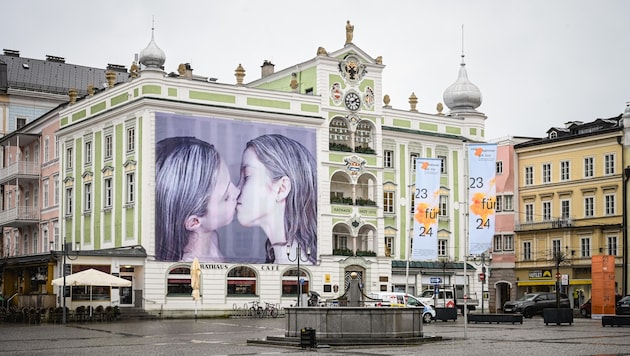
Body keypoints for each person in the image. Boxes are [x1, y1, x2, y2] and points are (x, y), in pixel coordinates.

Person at [236, 134, 317, 264]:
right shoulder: (285, 262)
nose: (236, 190)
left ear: (281, 188)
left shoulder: (295, 265)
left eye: (247, 176)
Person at [155, 136, 239, 262]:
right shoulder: (188, 268)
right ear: (194, 222)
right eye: (226, 197)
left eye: (230, 181)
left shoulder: (212, 238)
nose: (237, 191)